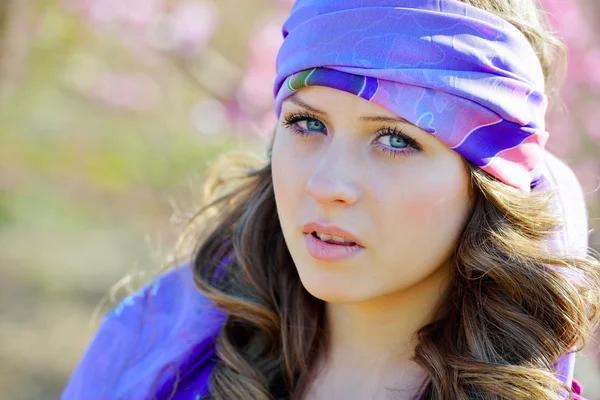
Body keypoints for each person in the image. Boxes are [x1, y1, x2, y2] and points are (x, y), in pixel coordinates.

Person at [62, 0, 600, 399]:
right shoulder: (155, 361)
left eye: (395, 139)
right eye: (307, 122)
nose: (326, 183)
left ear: (490, 177)